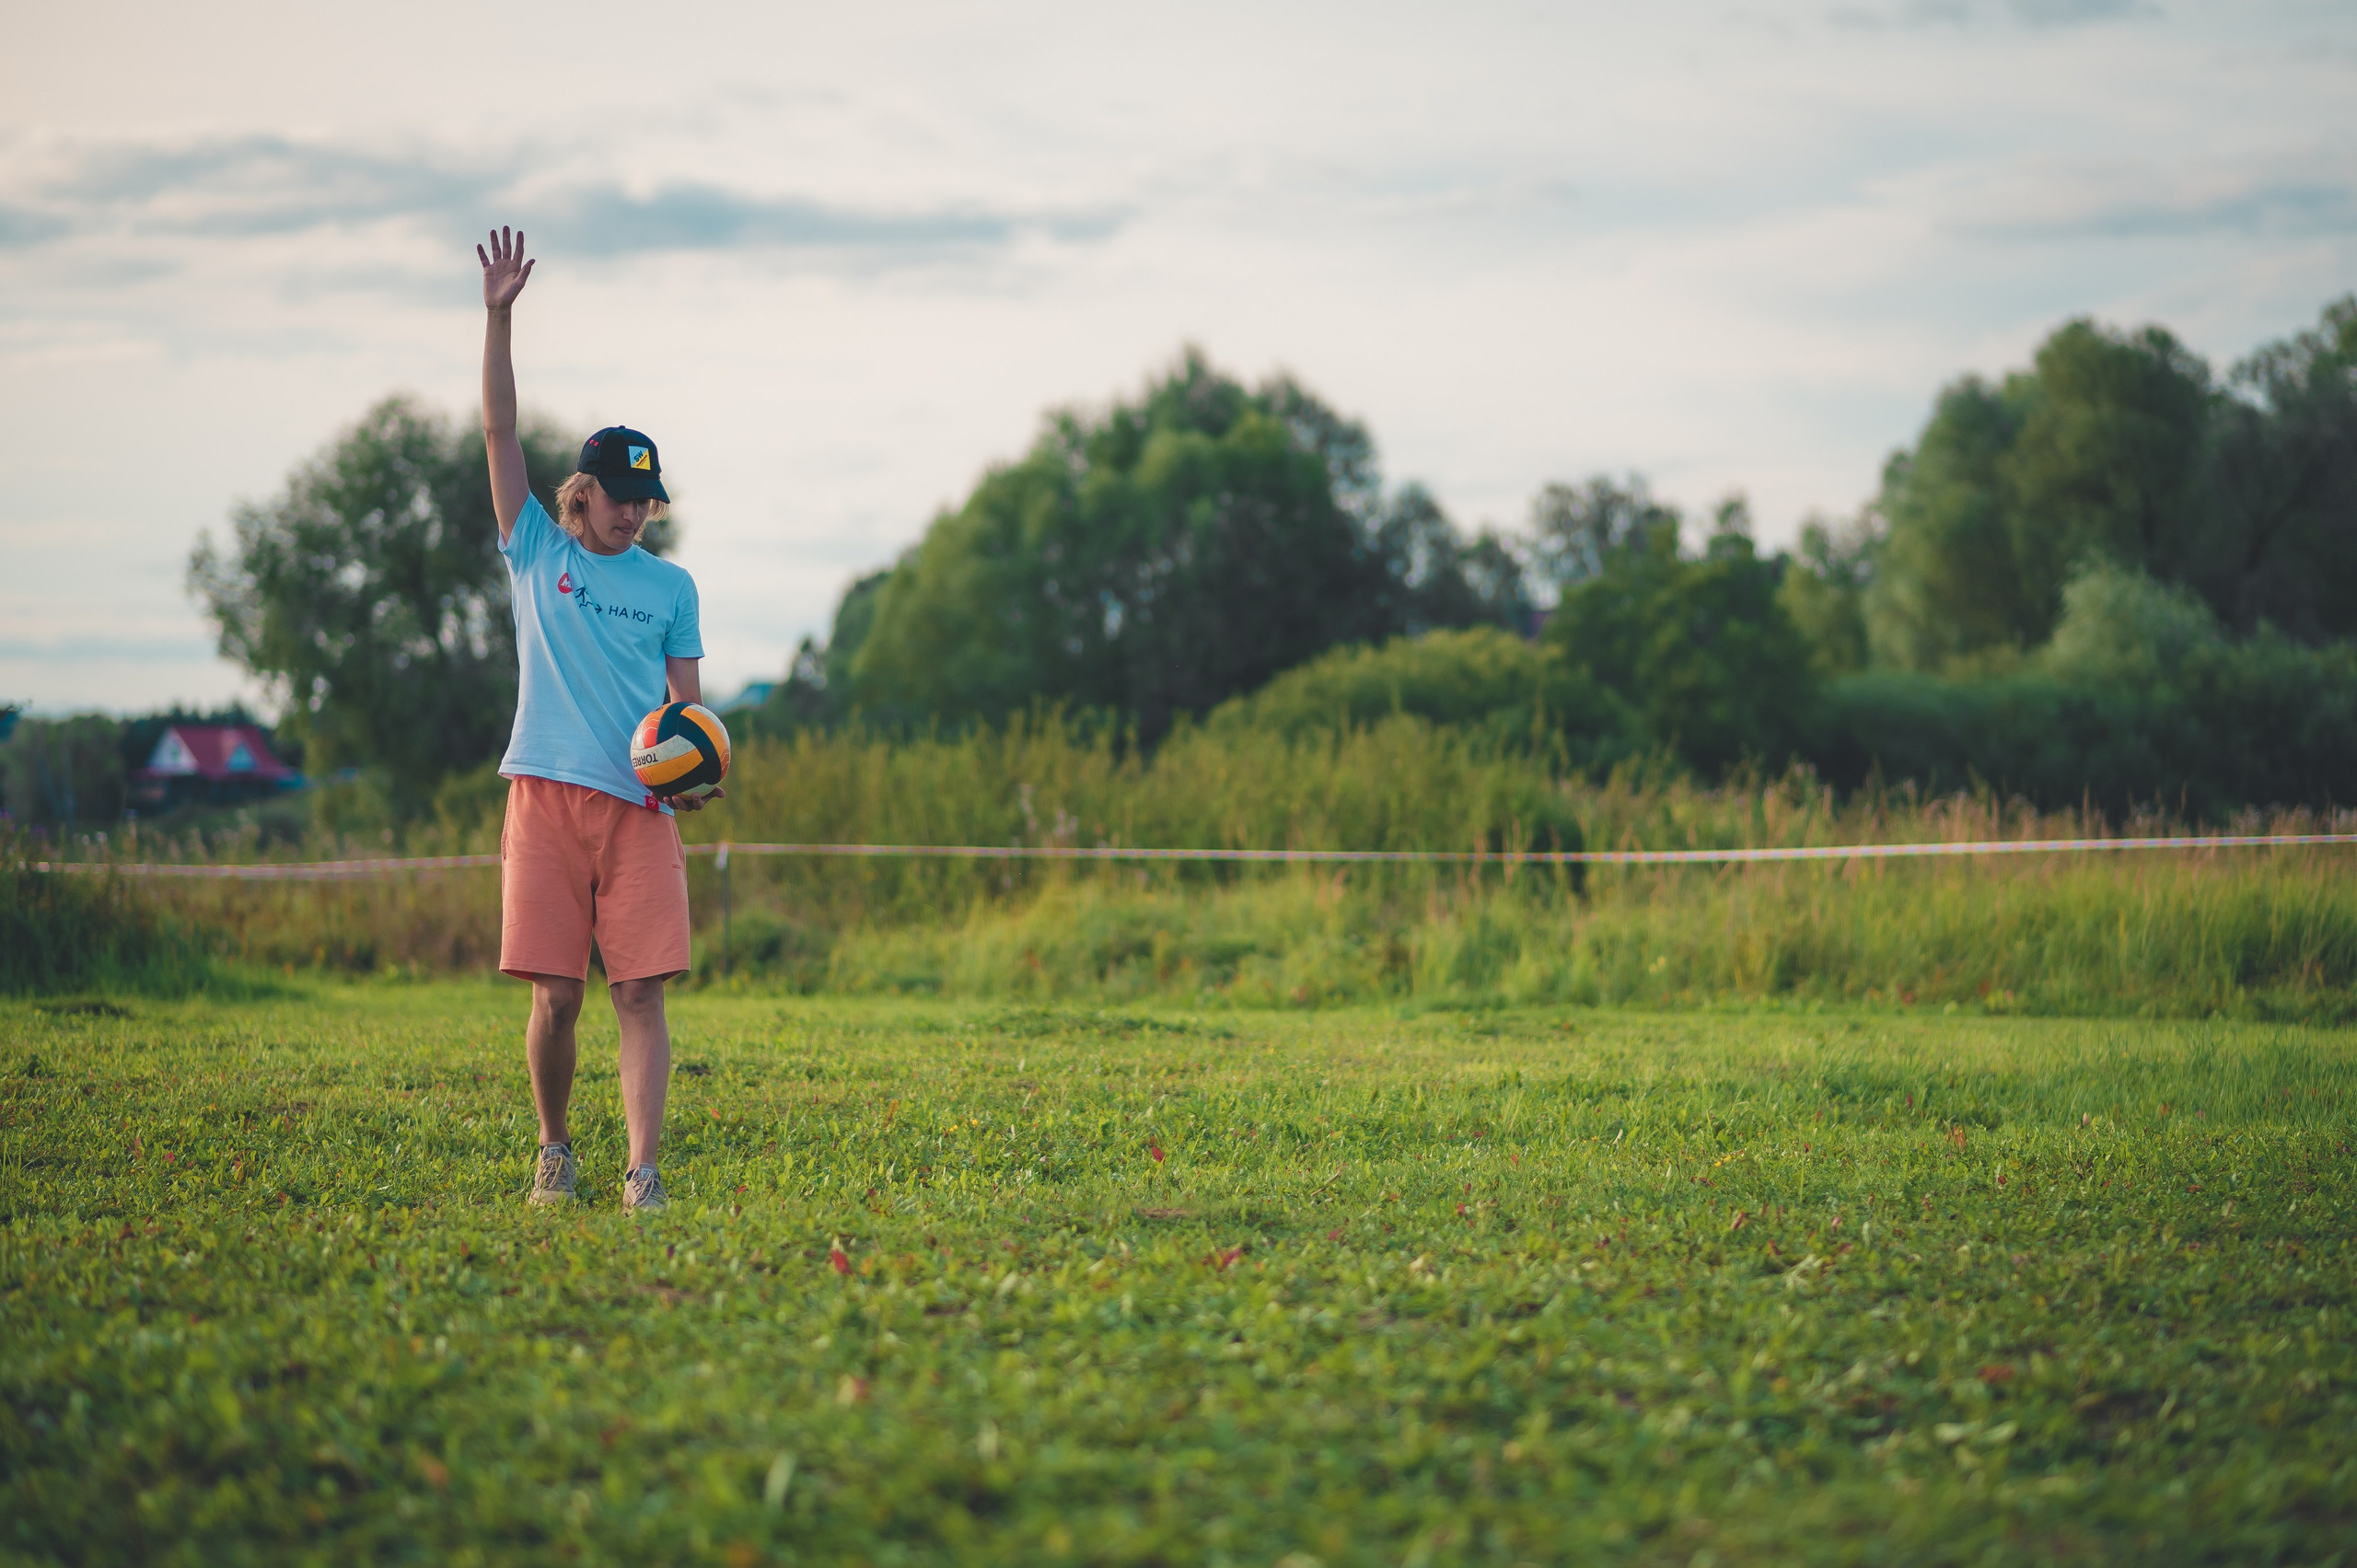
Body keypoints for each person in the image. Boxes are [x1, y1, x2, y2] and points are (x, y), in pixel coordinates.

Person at [478, 225, 719, 1214]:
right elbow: (498, 432)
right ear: (581, 492)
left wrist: (696, 768)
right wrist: (496, 319)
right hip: (544, 794)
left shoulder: (671, 584)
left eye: (644, 499)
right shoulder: (536, 549)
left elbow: (690, 708)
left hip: (639, 808)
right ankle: (554, 1151)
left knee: (640, 993)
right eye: (618, 496)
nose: (632, 512)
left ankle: (643, 1173)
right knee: (557, 996)